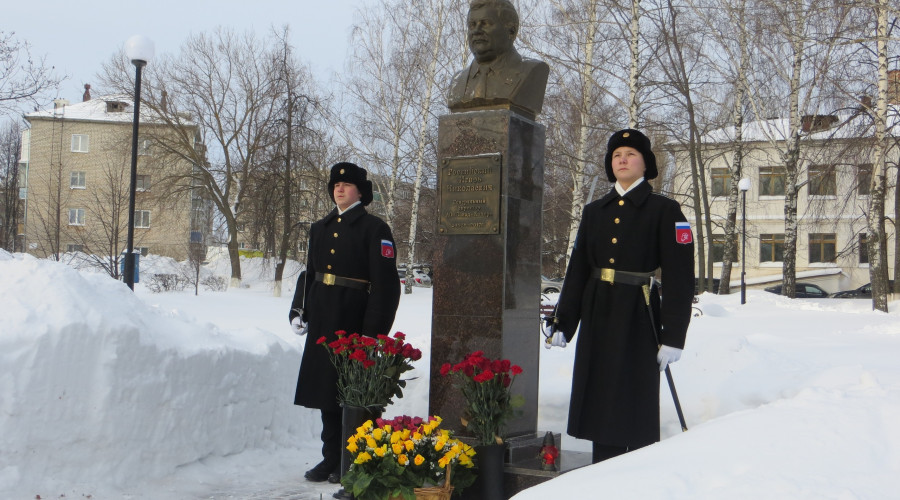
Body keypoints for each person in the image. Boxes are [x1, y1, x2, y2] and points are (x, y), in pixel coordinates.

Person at [546, 129, 695, 463]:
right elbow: (579, 269)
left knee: (633, 399)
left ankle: (634, 478)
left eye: (630, 154)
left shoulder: (665, 210)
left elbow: (680, 277)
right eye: (616, 155)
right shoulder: (595, 211)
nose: (622, 160)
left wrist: (673, 336)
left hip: (638, 314)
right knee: (600, 399)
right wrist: (563, 322)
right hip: (598, 311)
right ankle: (603, 473)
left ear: (646, 164)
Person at [289, 162, 401, 485]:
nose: (340, 189)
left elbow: (385, 285)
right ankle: (329, 458)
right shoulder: (320, 228)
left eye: (347, 185)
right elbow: (309, 274)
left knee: (351, 394)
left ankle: (350, 459)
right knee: (327, 392)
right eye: (336, 185)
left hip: (354, 320)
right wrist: (300, 309)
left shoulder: (374, 229)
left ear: (360, 192)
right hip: (324, 320)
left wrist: (373, 332)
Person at [447, 0, 549, 119]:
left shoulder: (532, 71)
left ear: (511, 31)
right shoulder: (457, 81)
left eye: (485, 24)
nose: (476, 31)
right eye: (472, 25)